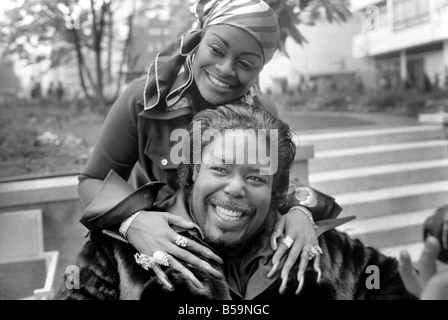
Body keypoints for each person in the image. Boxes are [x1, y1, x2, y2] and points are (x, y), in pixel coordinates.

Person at [77, 0, 342, 294]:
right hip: (157, 250)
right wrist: (133, 220)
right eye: (217, 49)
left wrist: (302, 213)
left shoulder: (262, 109)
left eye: (246, 64)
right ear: (198, 38)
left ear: (259, 70)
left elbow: (269, 181)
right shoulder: (144, 98)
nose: (226, 69)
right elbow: (92, 180)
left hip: (235, 251)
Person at [57, 104, 414, 300]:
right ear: (194, 170)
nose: (235, 188)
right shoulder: (114, 254)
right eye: (220, 169)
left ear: (275, 190)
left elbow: (388, 282)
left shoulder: (318, 246)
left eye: (256, 176)